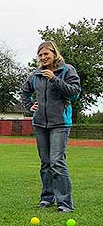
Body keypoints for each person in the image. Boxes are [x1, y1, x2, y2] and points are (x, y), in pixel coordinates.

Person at [21, 40, 81, 213]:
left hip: (60, 123)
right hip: (40, 123)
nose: (43, 57)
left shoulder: (66, 70)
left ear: (54, 53)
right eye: (40, 55)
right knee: (45, 163)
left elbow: (75, 93)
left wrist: (54, 79)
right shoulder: (35, 75)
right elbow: (25, 92)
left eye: (46, 53)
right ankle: (47, 199)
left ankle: (65, 203)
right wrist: (28, 105)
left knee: (57, 162)